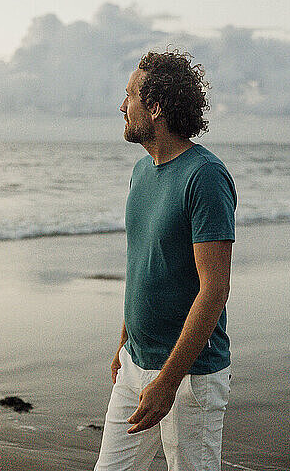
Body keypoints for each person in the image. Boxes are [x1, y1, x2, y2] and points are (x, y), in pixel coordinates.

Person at [94, 49, 237, 471]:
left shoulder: (205, 177)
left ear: (155, 108)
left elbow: (215, 289)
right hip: (135, 363)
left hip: (190, 376)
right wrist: (124, 343)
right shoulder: (141, 172)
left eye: (130, 97)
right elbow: (143, 266)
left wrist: (169, 380)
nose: (122, 107)